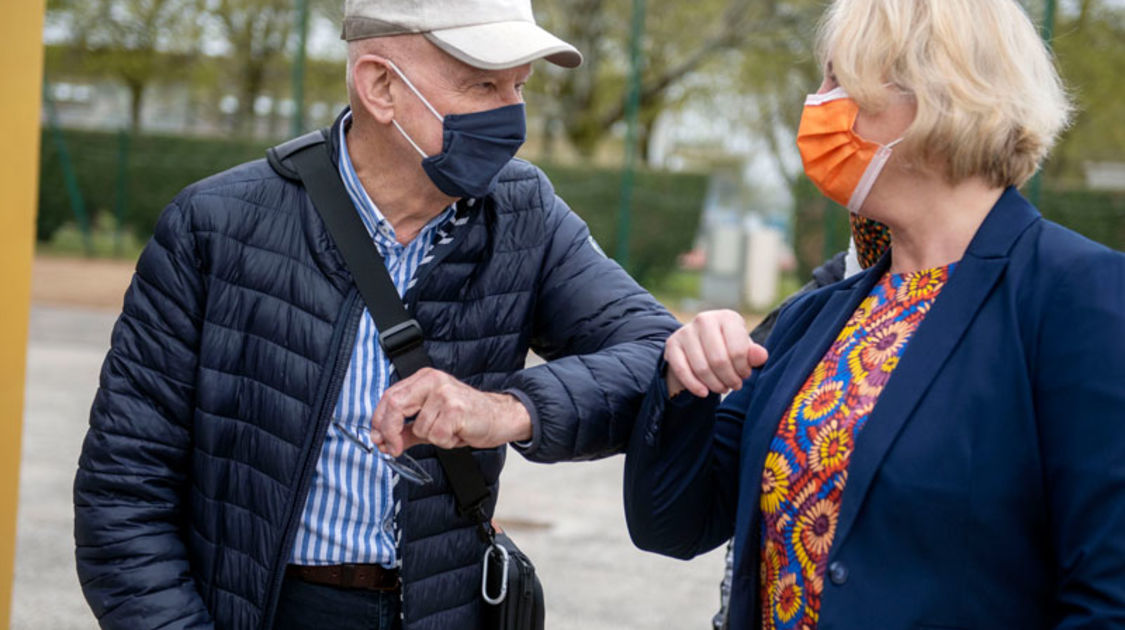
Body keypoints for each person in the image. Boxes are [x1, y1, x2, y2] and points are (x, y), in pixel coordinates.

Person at [73, 1, 679, 629]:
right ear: (380, 85)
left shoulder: (525, 215)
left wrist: (505, 411)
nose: (511, 116)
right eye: (482, 84)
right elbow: (123, 492)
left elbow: (654, 355)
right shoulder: (216, 226)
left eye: (518, 87)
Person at [624, 1, 1125, 629]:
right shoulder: (817, 315)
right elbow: (674, 522)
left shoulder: (1079, 295)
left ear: (937, 90)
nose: (817, 103)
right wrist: (683, 383)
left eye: (838, 80)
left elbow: (1109, 599)